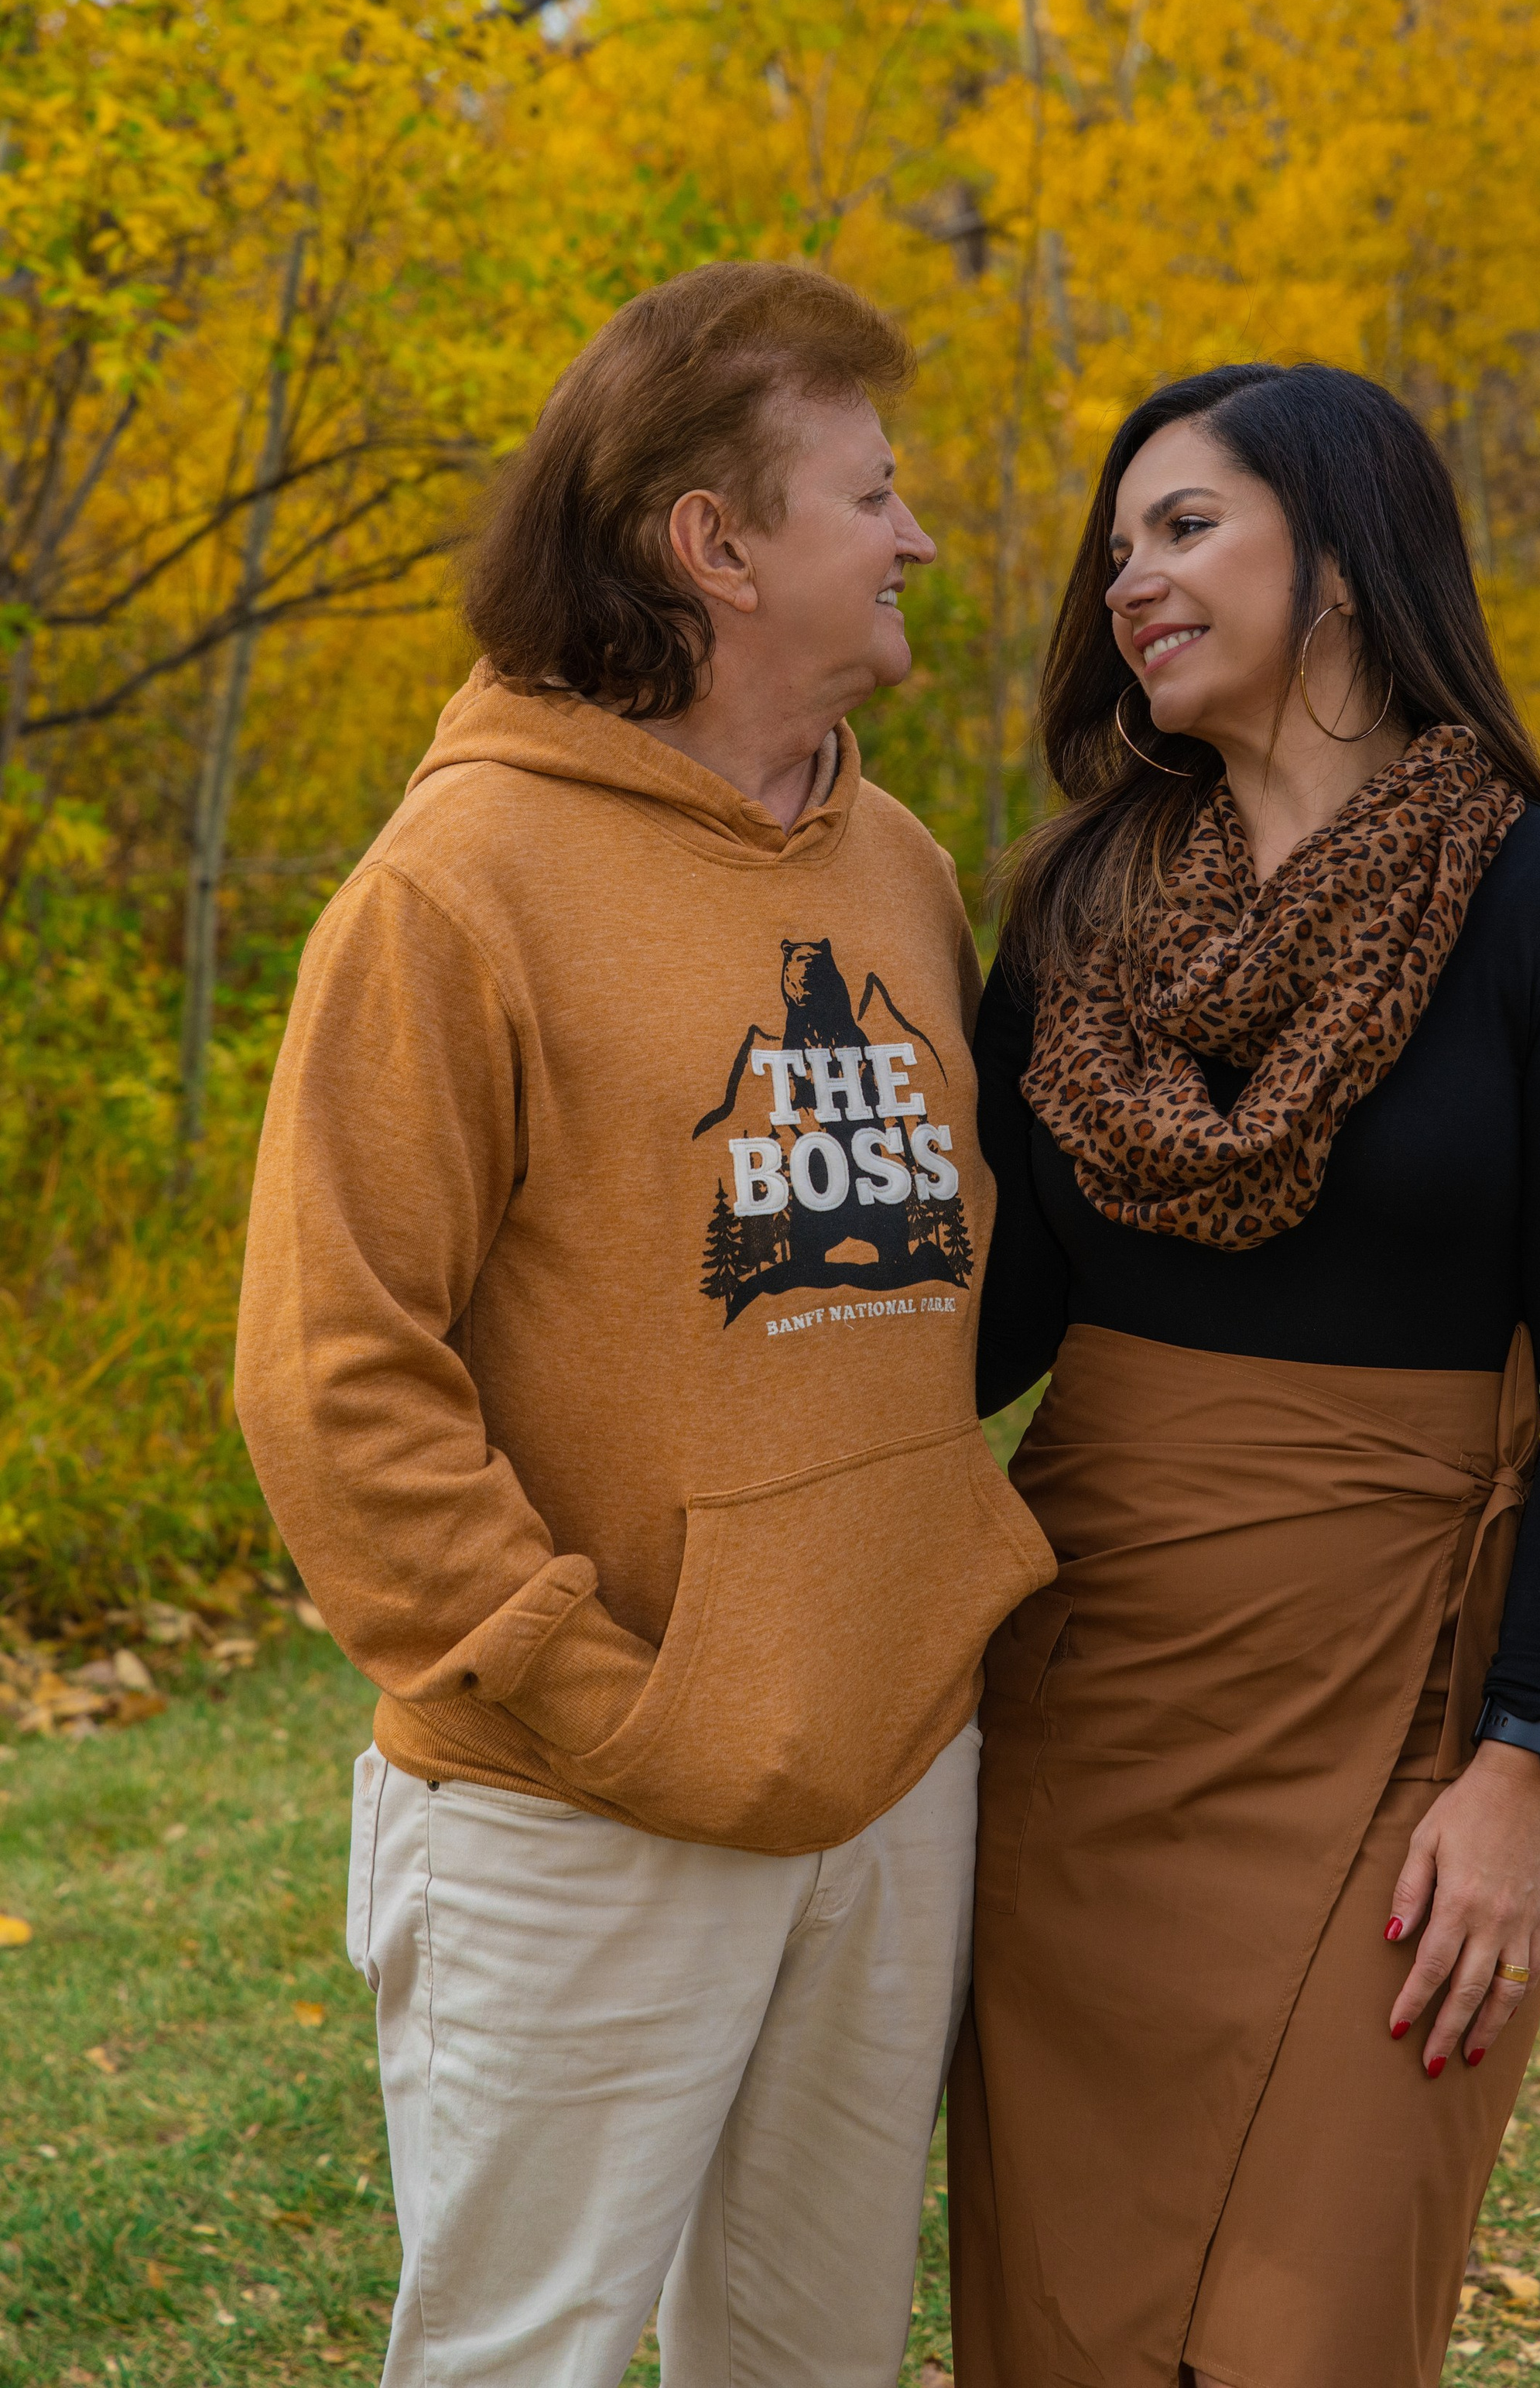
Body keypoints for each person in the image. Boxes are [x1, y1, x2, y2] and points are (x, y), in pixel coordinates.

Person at [234, 260, 1054, 2388]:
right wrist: (595, 1695)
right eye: (870, 491)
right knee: (523, 2356)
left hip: (886, 1780)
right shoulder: (456, 887)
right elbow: (334, 1376)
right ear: (718, 543)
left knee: (812, 2358)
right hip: (579, 1806)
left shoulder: (902, 869)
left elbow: (928, 1293)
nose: (918, 533)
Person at [948, 363, 1540, 2388]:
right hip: (1094, 1716)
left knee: (1306, 2339)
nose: (1130, 579)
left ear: (1350, 563)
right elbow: (988, 1324)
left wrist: (1533, 1754)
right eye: (1116, 548)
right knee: (1073, 2332)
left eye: (1183, 526)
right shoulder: (1074, 915)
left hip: (1405, 1716)